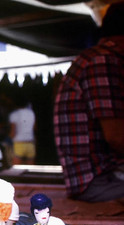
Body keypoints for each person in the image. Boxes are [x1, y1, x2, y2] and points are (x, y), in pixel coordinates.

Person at [53, 2, 124, 202]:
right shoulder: (102, 61)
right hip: (97, 180)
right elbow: (117, 138)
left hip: (102, 177)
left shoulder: (100, 58)